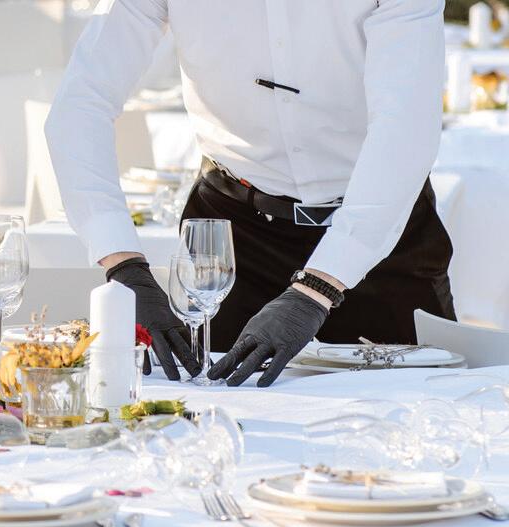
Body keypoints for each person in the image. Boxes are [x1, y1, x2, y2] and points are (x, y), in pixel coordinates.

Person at [46, 0, 455, 387]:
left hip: (379, 235)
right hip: (231, 243)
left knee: (424, 414)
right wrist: (124, 267)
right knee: (212, 417)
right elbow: (81, 102)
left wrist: (321, 286)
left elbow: (404, 129)